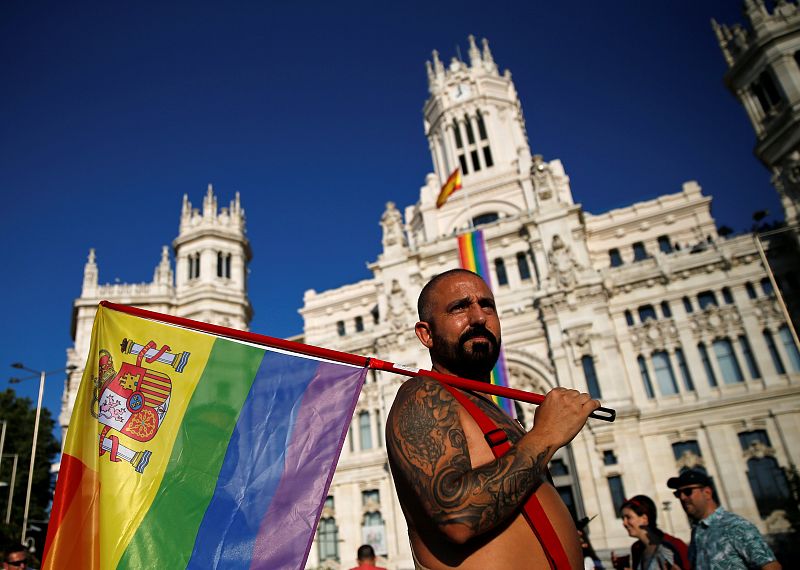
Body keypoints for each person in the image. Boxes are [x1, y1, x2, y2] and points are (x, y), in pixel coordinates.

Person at [385, 269, 601, 569]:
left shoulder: (501, 415)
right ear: (426, 333)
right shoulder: (423, 394)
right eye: (459, 307)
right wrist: (545, 436)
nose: (478, 318)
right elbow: (455, 516)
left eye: (487, 305)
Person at [667, 469, 781, 570]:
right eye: (678, 493)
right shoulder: (697, 532)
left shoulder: (735, 526)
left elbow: (771, 566)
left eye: (688, 492)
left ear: (707, 493)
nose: (682, 497)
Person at [613, 495, 688, 570]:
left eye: (628, 517)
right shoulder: (636, 548)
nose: (624, 523)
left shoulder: (674, 545)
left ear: (644, 519)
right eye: (623, 518)